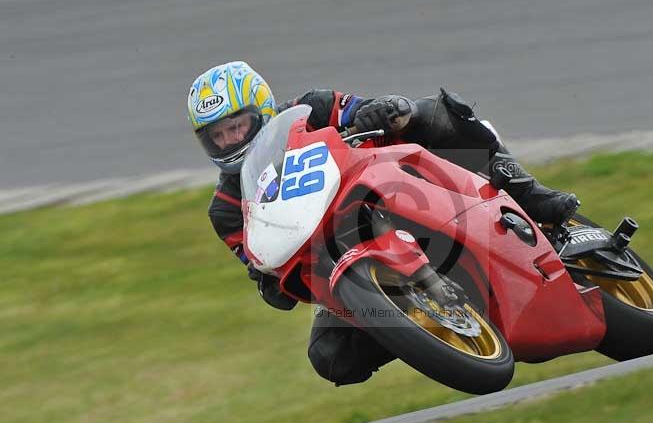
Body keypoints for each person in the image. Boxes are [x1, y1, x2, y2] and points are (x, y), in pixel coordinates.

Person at [187, 61, 579, 386]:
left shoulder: (309, 110)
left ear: (262, 110)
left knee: (426, 112)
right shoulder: (225, 210)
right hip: (337, 264)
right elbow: (263, 271)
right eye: (216, 136)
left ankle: (530, 194)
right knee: (331, 358)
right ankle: (416, 326)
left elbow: (368, 108)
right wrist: (266, 280)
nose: (229, 140)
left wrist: (379, 111)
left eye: (236, 126)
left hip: (394, 190)